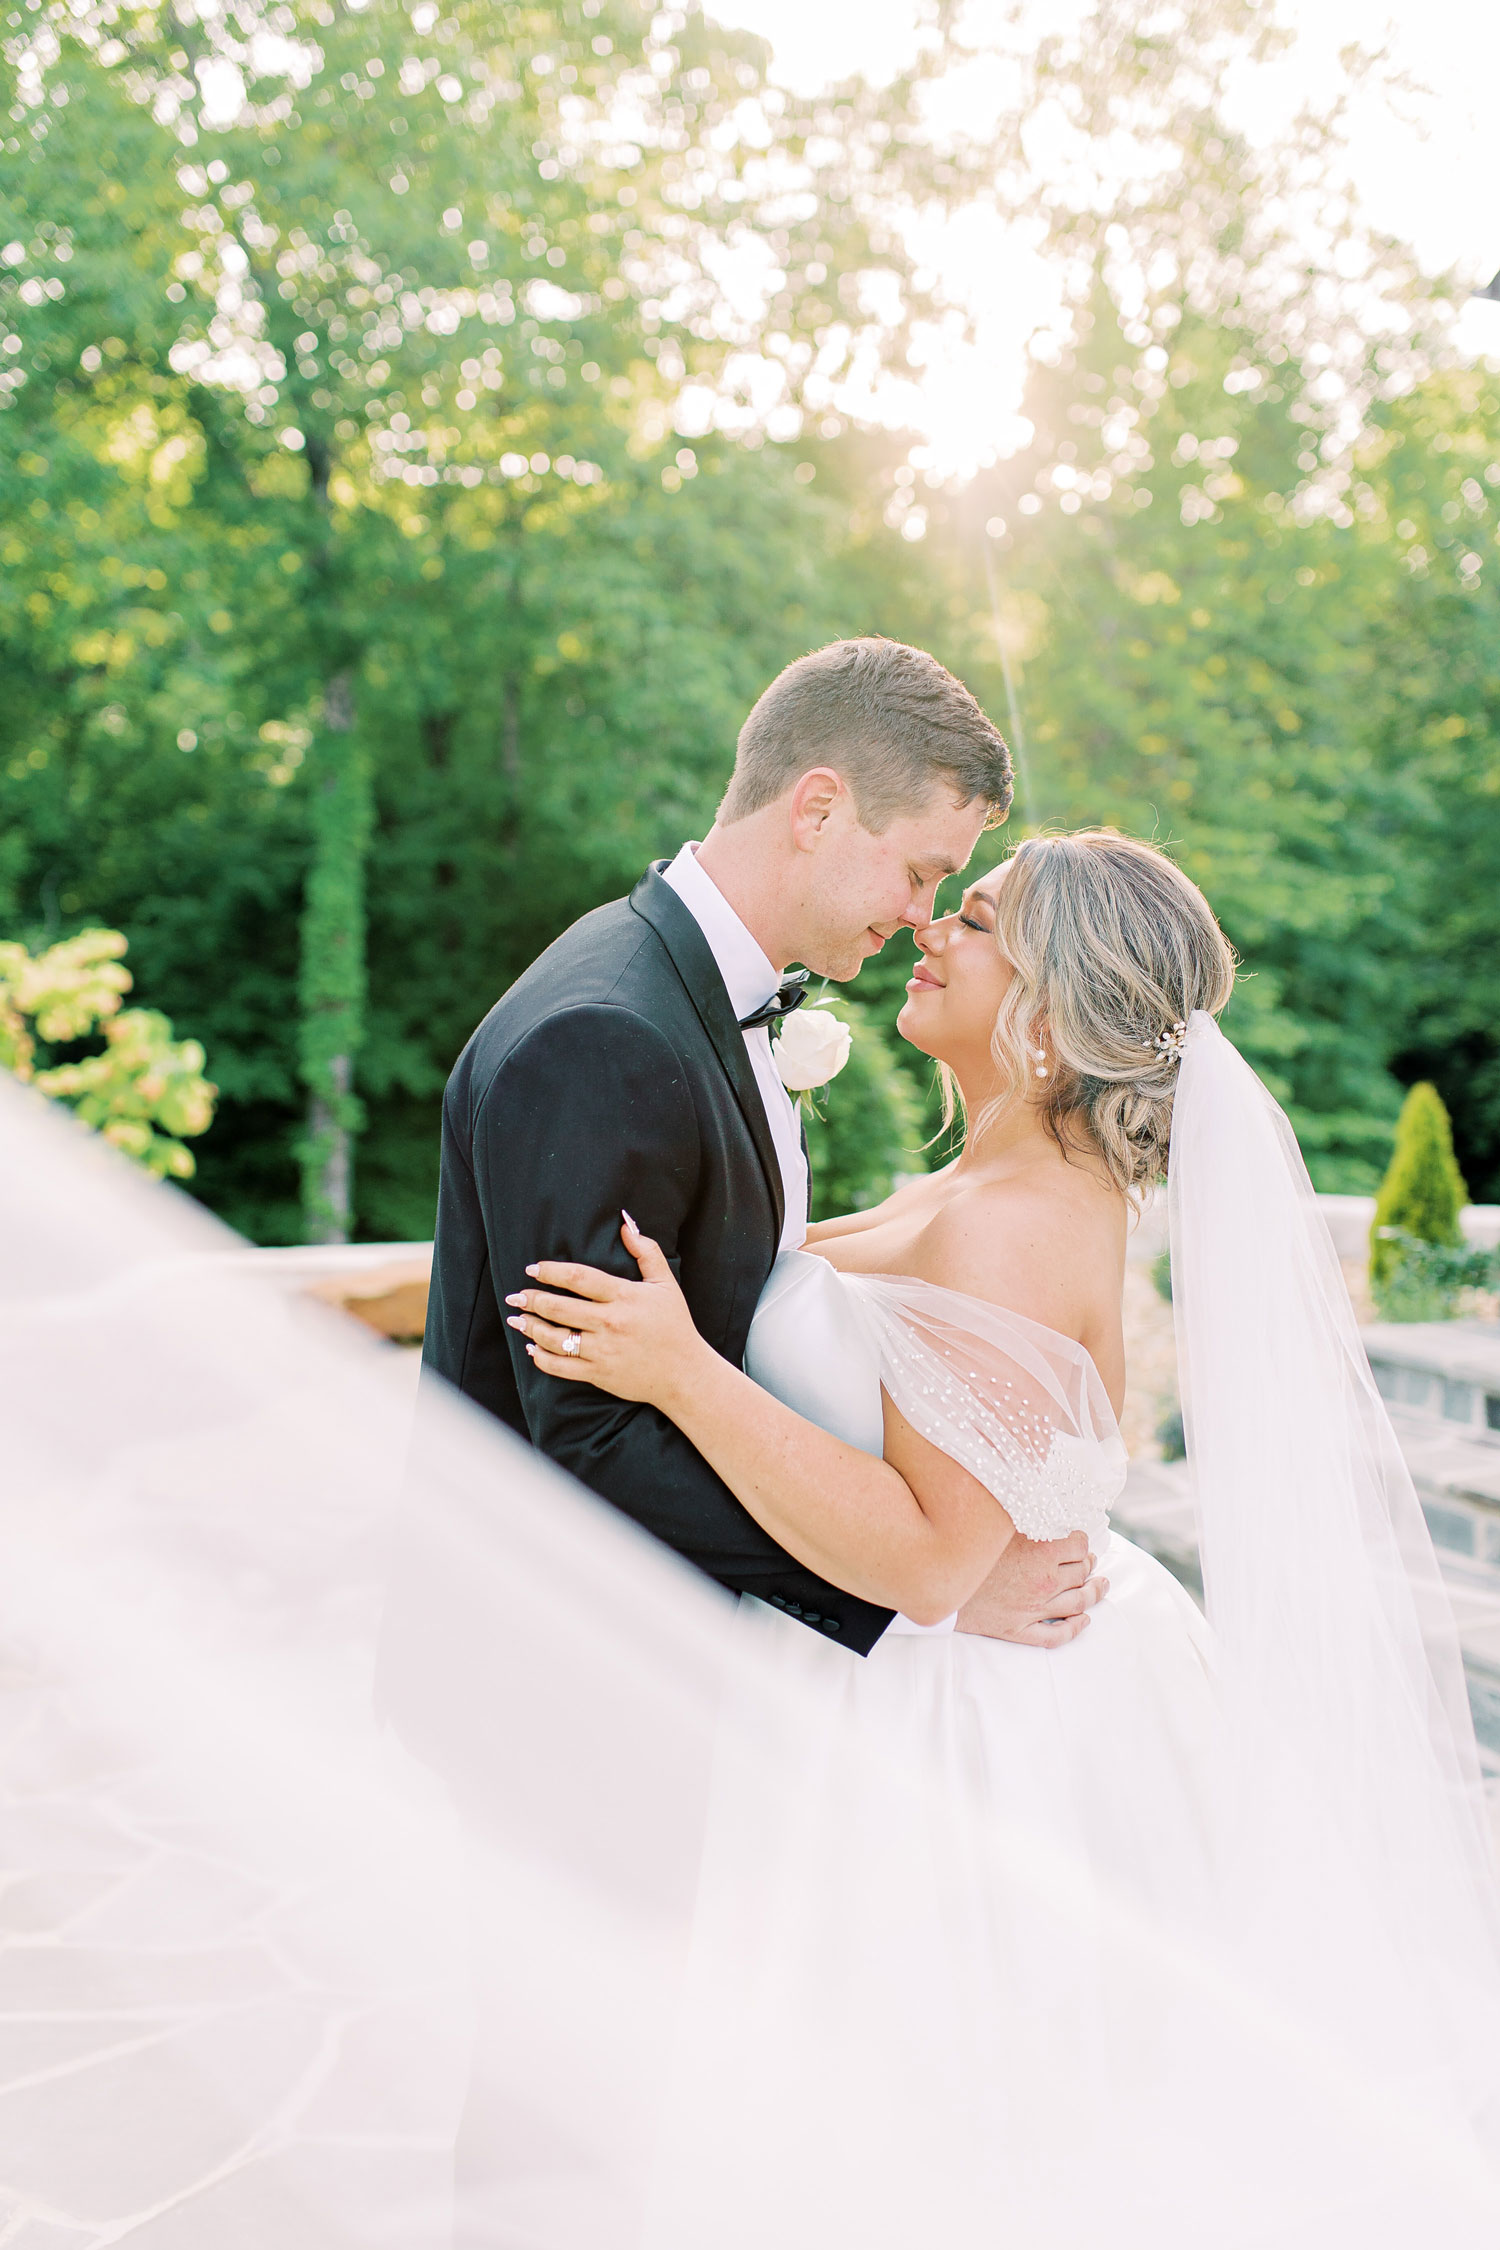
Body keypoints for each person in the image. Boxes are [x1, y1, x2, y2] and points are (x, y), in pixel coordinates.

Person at [508, 830, 1500, 2248]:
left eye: (974, 920)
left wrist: (678, 1369)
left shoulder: (1018, 1227)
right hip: (914, 1674)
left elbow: (926, 1561)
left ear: (1047, 1013)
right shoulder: (977, 1189)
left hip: (967, 1735)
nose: (932, 932)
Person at [424, 636, 1105, 1652]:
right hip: (559, 1660)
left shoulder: (696, 998)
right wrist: (922, 1599)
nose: (922, 918)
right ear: (819, 808)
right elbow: (591, 1427)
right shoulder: (607, 1033)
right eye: (920, 873)